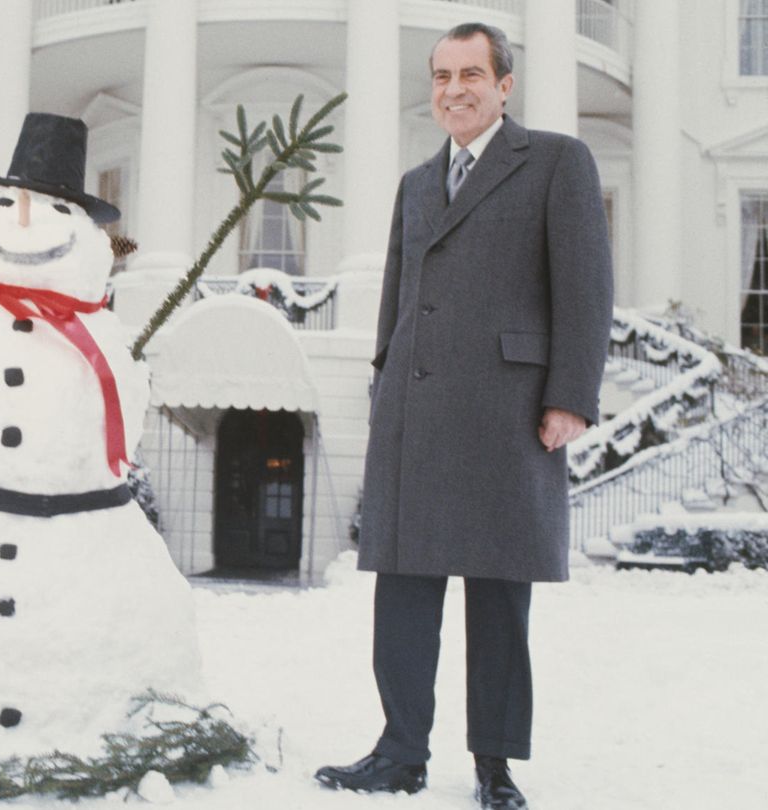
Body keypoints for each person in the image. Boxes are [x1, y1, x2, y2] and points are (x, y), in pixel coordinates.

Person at [314, 22, 613, 810]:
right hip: (417, 409)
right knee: (403, 591)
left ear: (504, 84)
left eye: (471, 74)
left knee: (498, 593)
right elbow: (396, 297)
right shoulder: (417, 183)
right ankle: (400, 750)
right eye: (442, 76)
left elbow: (585, 287)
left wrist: (571, 396)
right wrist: (383, 388)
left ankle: (494, 765)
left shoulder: (555, 161)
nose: (455, 89)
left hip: (508, 410)